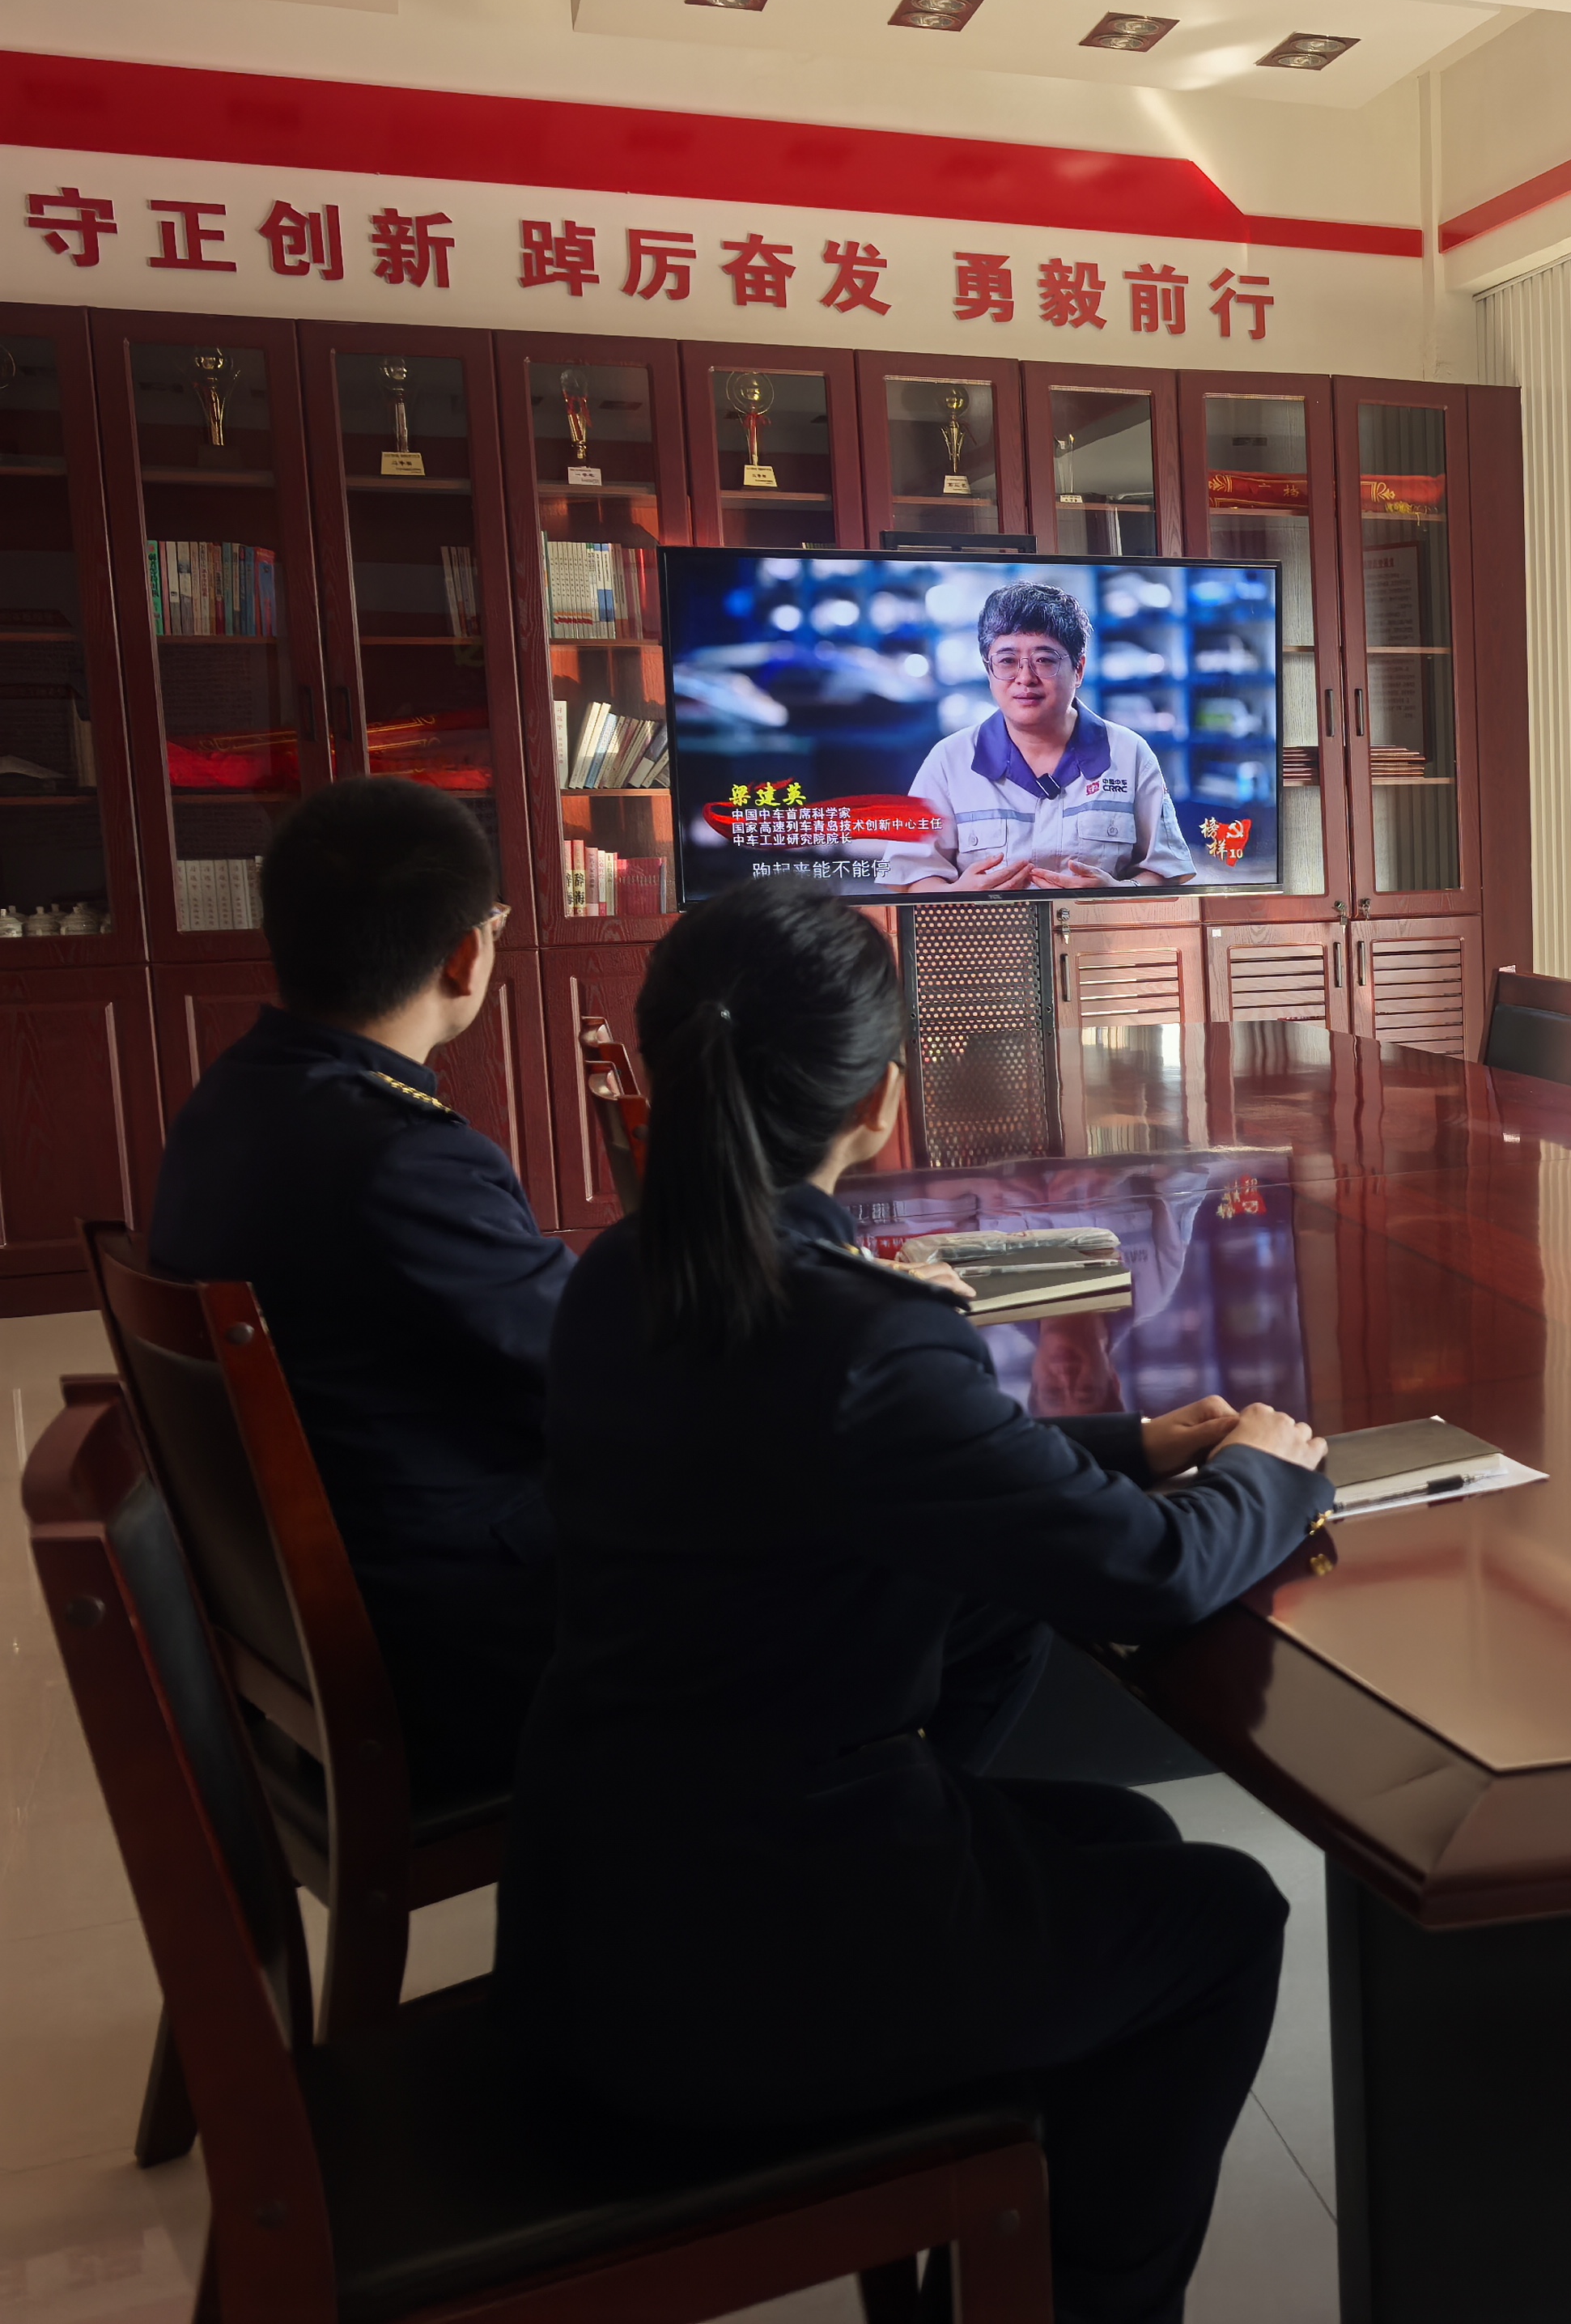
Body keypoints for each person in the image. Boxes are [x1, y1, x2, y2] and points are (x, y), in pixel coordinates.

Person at [495, 878, 1332, 2324]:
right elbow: (1147, 1575)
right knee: (1223, 1922)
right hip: (748, 1967)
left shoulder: (620, 1277)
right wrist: (1269, 1473)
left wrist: (1134, 1444)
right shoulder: (860, 1338)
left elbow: (863, 1465)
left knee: (1125, 1835)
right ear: (883, 1103)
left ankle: (1010, 2217)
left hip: (602, 1909)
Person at [149, 776, 566, 1800]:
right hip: (465, 1655)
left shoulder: (231, 1098)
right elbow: (606, 1367)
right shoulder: (402, 1157)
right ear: (466, 954)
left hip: (332, 1623)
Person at [890, 579, 1195, 890]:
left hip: (1098, 923)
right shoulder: (950, 760)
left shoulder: (1129, 753)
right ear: (989, 670)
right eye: (1007, 661)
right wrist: (956, 895)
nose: (1025, 678)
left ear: (1078, 670)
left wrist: (1118, 894)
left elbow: (1168, 871)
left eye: (1044, 660)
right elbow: (909, 875)